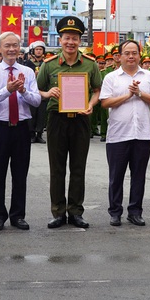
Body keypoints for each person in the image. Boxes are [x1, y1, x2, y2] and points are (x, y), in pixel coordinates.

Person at [37, 16, 103, 229]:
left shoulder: (91, 65)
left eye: (75, 38)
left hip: (81, 120)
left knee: (78, 168)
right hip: (57, 120)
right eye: (67, 38)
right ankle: (58, 212)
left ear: (79, 40)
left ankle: (76, 212)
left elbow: (97, 90)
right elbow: (36, 90)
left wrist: (92, 104)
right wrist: (48, 93)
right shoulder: (49, 65)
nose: (70, 42)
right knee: (57, 168)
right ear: (60, 39)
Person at [100, 40, 150, 226]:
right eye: (127, 53)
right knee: (116, 176)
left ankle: (135, 211)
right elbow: (105, 102)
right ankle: (115, 212)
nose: (131, 56)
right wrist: (128, 96)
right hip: (118, 135)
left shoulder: (149, 76)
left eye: (134, 53)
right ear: (119, 56)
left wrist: (139, 93)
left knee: (138, 176)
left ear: (139, 55)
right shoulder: (111, 77)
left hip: (142, 135)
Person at [0, 31, 41, 231]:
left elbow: (37, 100)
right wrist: (7, 89)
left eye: (15, 45)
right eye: (7, 45)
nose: (12, 49)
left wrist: (23, 90)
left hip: (22, 129)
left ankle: (18, 215)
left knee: (20, 174)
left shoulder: (28, 71)